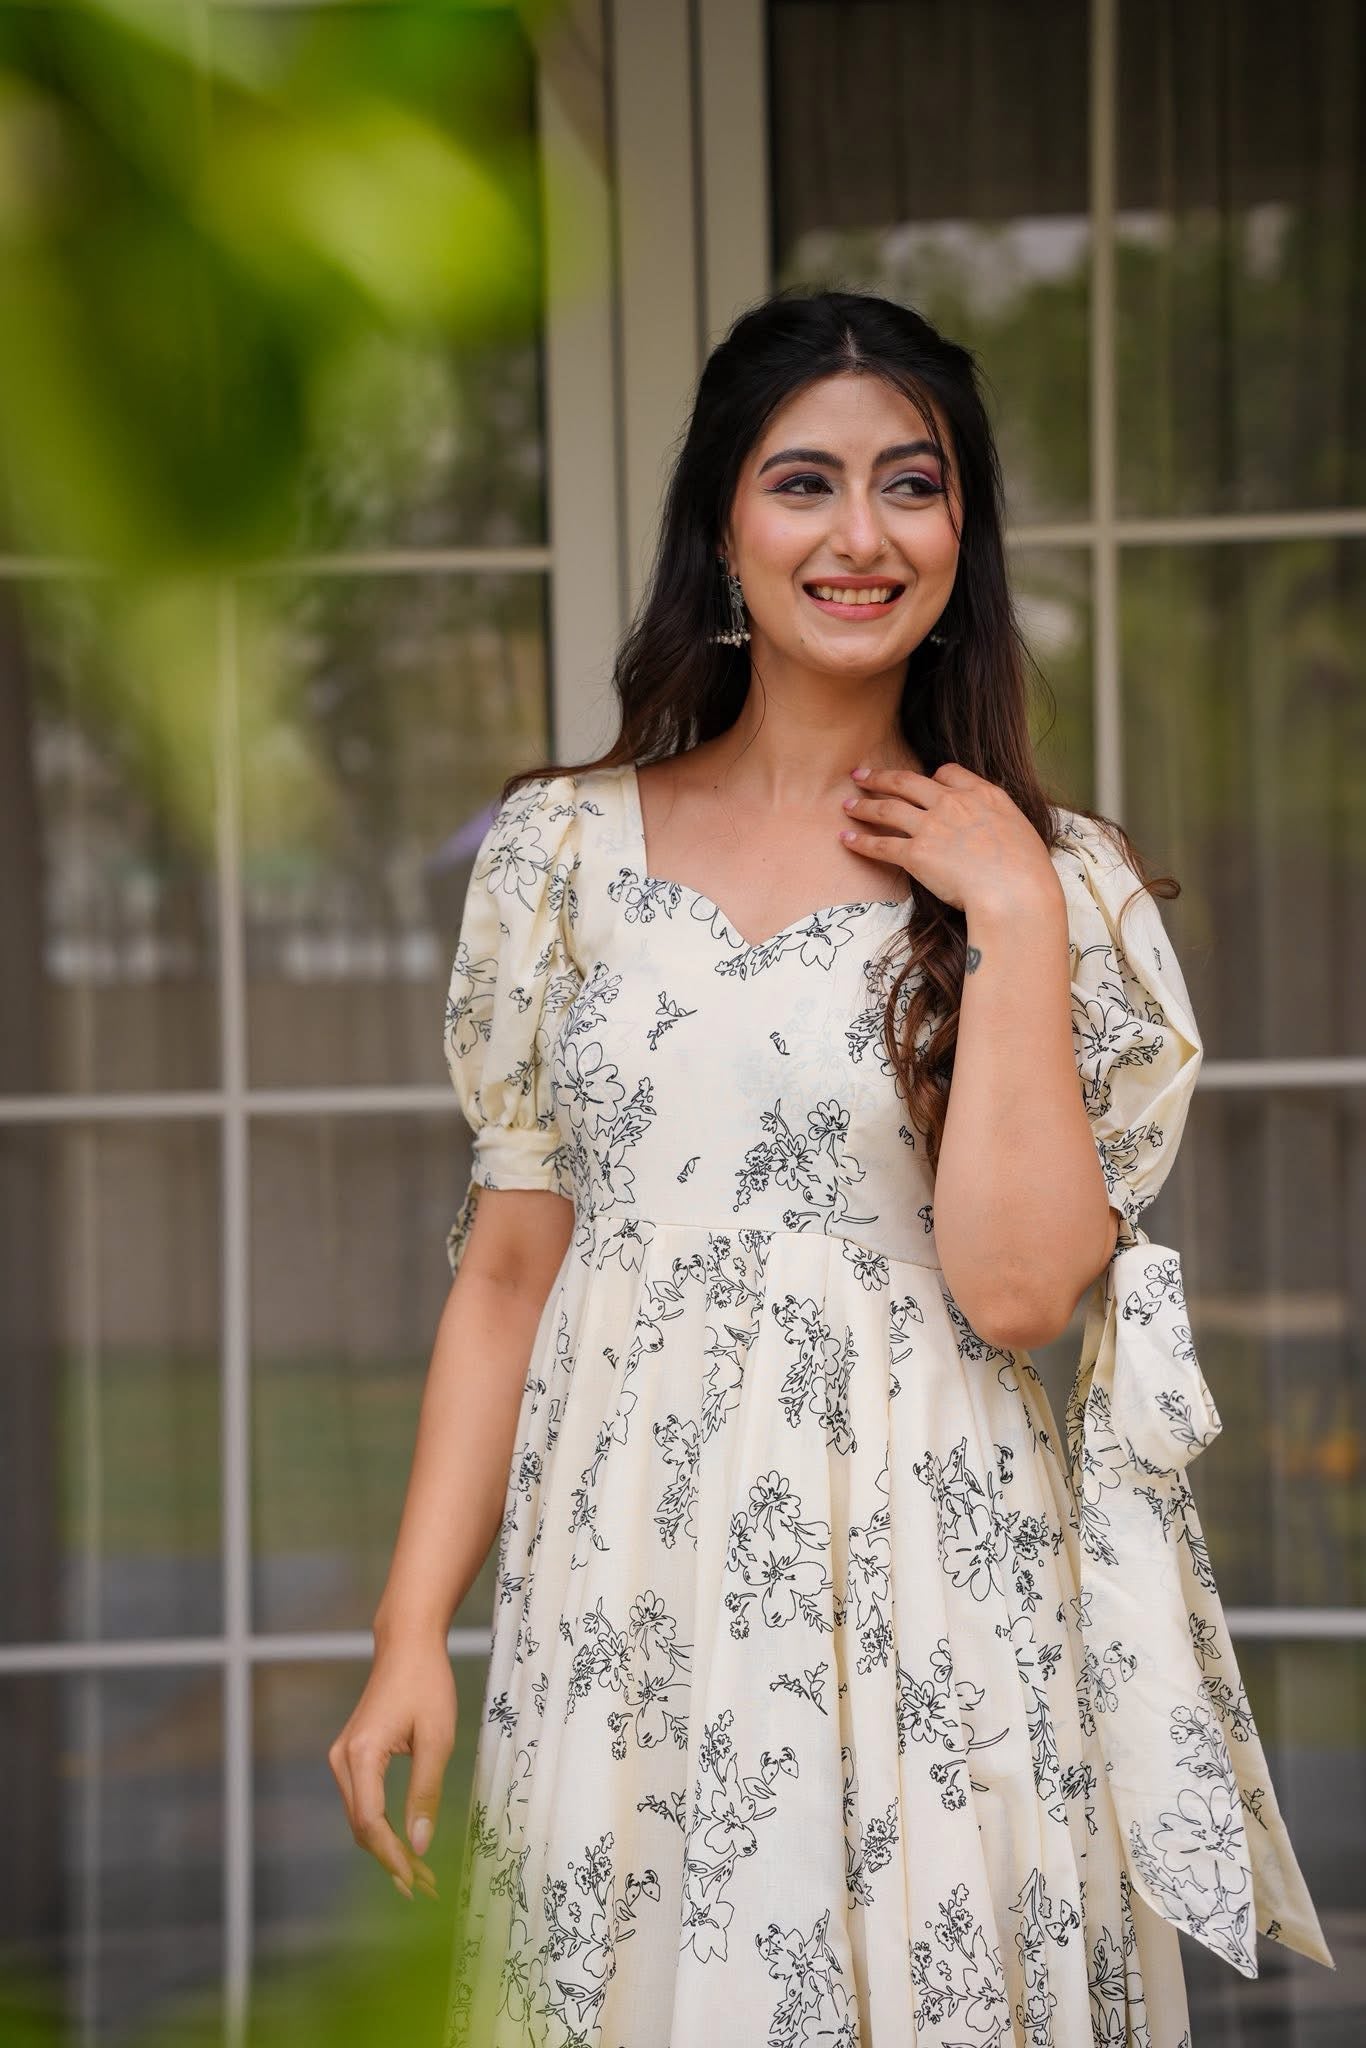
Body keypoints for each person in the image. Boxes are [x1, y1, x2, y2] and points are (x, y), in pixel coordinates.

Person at [329, 288, 1334, 2045]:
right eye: (804, 483)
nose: (861, 535)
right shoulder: (559, 856)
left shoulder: (1057, 882)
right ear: (721, 525)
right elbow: (506, 1271)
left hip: (938, 1572)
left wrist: (1008, 905)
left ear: (964, 533)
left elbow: (1020, 1291)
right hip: (624, 1579)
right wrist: (413, 1629)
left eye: (911, 484)